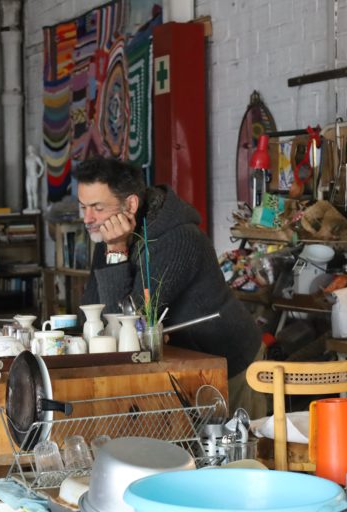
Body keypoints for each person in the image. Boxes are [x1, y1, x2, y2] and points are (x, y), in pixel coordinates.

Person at [75, 157, 265, 417]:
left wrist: (117, 251)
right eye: (83, 207)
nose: (87, 219)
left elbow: (128, 324)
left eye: (97, 207)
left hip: (230, 361)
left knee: (237, 441)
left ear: (130, 205)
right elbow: (91, 312)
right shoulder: (108, 237)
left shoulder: (178, 240)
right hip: (184, 366)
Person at [24, 144, 45, 212]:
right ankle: (30, 207)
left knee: (34, 191)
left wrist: (39, 174)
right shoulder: (27, 158)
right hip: (28, 176)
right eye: (28, 148)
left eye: (30, 148)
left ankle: (35, 207)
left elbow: (42, 166)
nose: (29, 150)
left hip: (34, 176)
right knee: (28, 192)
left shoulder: (36, 157)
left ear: (33, 149)